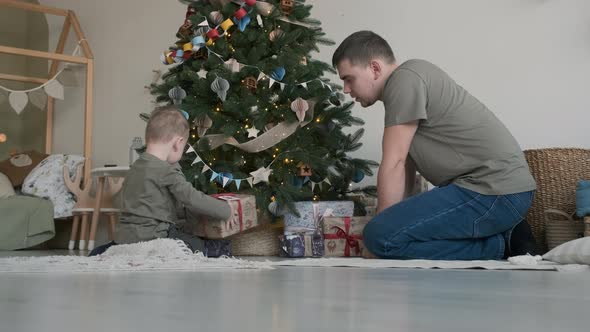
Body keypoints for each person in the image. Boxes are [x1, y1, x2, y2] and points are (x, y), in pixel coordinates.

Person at [332, 31, 538, 260]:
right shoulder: (406, 84)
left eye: (348, 78)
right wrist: (397, 220)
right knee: (386, 233)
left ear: (375, 68)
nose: (346, 89)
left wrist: (380, 233)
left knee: (380, 238)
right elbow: (405, 169)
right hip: (493, 191)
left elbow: (395, 162)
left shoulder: (405, 80)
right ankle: (509, 234)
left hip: (493, 191)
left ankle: (501, 244)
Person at [89, 106, 233, 256]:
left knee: (103, 251)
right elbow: (193, 198)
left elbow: (121, 200)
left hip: (124, 237)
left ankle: (104, 251)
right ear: (178, 143)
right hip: (155, 236)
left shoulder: (135, 167)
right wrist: (226, 210)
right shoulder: (166, 170)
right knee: (212, 247)